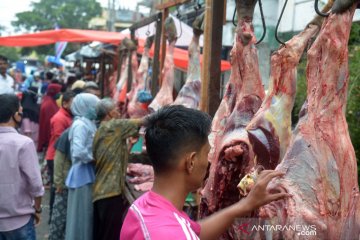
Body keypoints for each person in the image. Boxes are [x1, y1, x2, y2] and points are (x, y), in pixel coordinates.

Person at [120, 105, 290, 240]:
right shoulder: (170, 234)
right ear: (191, 162)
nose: (209, 161)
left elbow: (196, 232)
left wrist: (245, 206)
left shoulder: (143, 207)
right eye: (207, 153)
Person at [93, 99, 144, 240]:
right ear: (109, 114)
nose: (118, 111)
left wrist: (129, 146)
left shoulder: (104, 130)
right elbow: (143, 121)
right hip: (109, 193)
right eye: (115, 109)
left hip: (103, 192)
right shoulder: (112, 126)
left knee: (104, 233)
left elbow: (114, 156)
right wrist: (164, 112)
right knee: (110, 234)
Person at [0, 94, 44, 239]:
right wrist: (37, 209)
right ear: (16, 115)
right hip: (19, 220)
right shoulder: (24, 143)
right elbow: (36, 185)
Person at [65, 93, 100, 240]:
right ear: (85, 107)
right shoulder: (80, 125)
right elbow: (78, 151)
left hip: (86, 171)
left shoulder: (88, 122)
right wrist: (93, 159)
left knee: (85, 213)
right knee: (81, 213)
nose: (95, 109)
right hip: (82, 172)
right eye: (93, 106)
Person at [45, 91, 75, 224]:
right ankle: (53, 217)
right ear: (65, 103)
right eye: (73, 103)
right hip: (55, 156)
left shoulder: (68, 116)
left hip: (57, 155)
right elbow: (60, 140)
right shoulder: (60, 118)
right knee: (56, 189)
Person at [48, 129, 72, 240]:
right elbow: (58, 160)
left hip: (68, 182)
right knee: (59, 218)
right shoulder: (67, 134)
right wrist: (58, 183)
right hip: (64, 184)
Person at [37, 83, 62, 153]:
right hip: (49, 139)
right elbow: (48, 124)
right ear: (54, 92)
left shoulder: (49, 101)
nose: (60, 94)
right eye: (58, 92)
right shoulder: (49, 105)